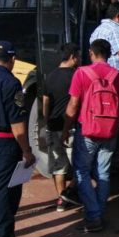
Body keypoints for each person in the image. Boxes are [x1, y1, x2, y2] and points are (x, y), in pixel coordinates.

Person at [63, 39, 119, 233]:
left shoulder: (81, 73)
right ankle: (99, 211)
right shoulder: (118, 77)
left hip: (88, 130)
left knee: (82, 171)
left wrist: (66, 128)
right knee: (104, 173)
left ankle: (93, 215)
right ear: (109, 54)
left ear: (91, 53)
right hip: (110, 131)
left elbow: (73, 105)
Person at [0, 41, 36, 237]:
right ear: (12, 59)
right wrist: (27, 151)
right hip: (3, 145)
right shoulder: (10, 82)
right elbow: (17, 124)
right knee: (5, 193)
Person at [42, 42, 80, 212]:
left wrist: (47, 119)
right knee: (81, 165)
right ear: (72, 57)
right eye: (77, 56)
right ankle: (70, 192)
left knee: (59, 165)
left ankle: (61, 199)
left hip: (53, 125)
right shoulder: (76, 75)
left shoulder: (49, 76)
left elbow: (45, 102)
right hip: (71, 126)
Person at [89, 2, 119, 73]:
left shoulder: (97, 30)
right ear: (118, 16)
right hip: (114, 72)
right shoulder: (115, 29)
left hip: (97, 72)